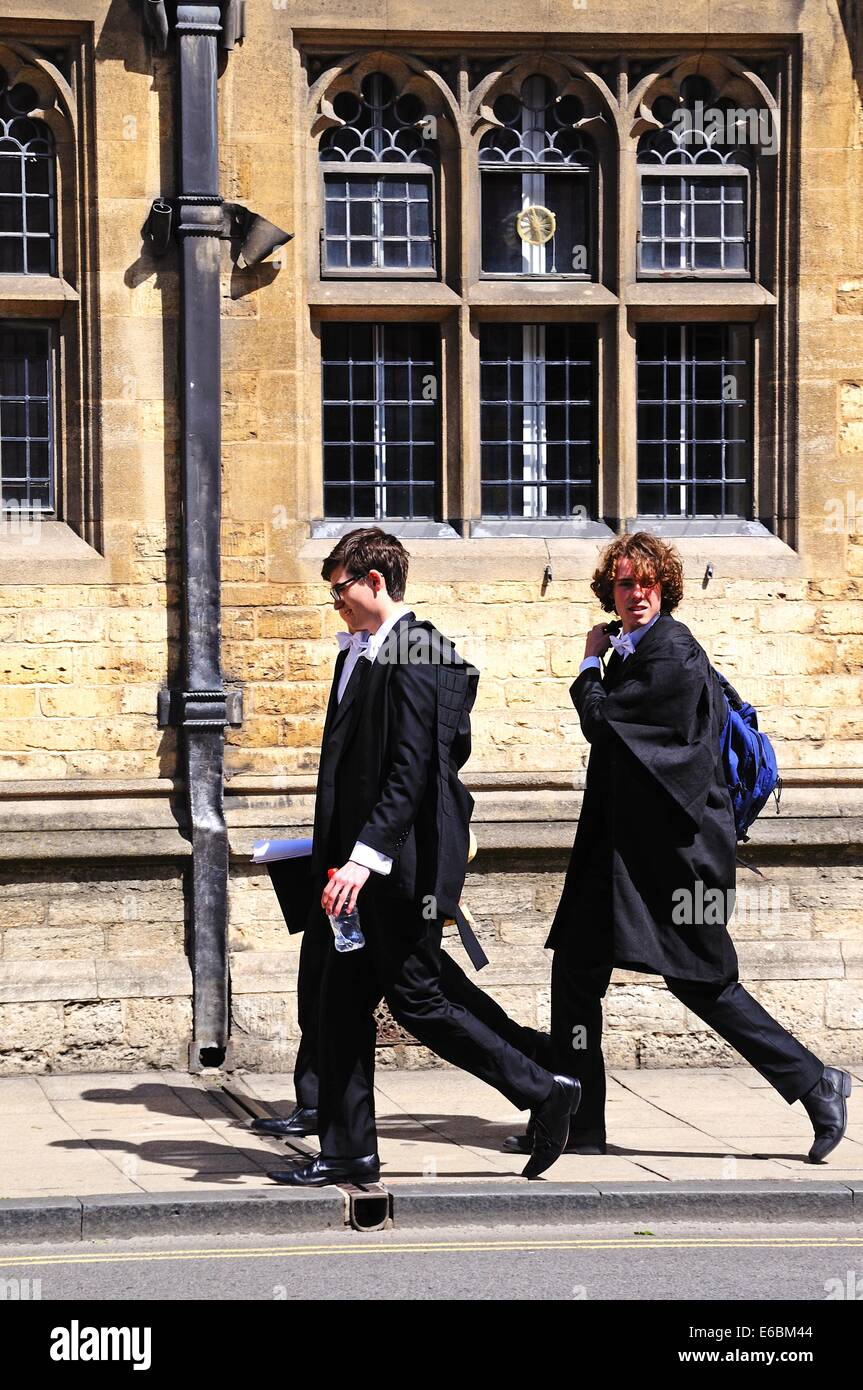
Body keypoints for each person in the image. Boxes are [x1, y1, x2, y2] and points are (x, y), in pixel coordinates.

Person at [504, 531, 851, 1164]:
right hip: (620, 855)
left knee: (703, 983)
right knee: (575, 977)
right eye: (623, 583)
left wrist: (586, 665)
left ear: (664, 588)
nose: (634, 594)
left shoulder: (673, 656)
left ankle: (817, 1083)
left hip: (678, 857)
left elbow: (603, 724)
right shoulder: (638, 651)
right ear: (609, 590)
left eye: (646, 584)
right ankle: (578, 1120)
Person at [267, 527, 579, 1187]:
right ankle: (350, 1151)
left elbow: (411, 775)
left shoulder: (415, 651)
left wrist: (363, 859)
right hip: (358, 871)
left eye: (341, 592)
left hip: (395, 874)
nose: (337, 606)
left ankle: (544, 1090)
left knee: (418, 1001)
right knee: (340, 1007)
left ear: (374, 581)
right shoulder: (365, 650)